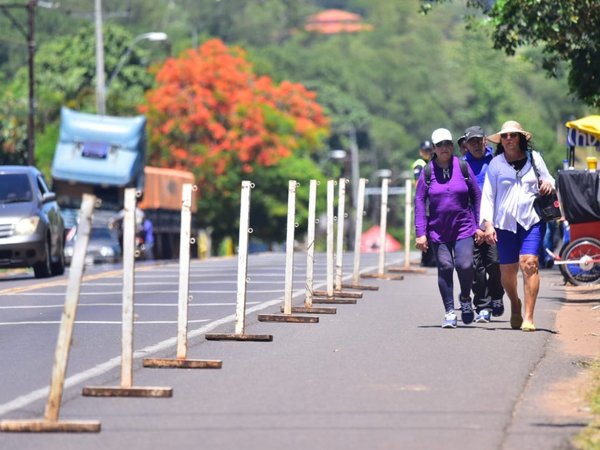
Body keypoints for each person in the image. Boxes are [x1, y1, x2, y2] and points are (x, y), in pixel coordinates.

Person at [480, 120, 555, 332]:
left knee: (529, 263)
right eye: (505, 136)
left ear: (520, 138)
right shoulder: (496, 164)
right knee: (507, 272)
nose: (509, 139)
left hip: (531, 220)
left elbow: (549, 179)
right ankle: (515, 302)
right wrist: (488, 224)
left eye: (513, 135)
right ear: (501, 141)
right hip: (504, 224)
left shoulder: (534, 158)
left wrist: (549, 183)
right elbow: (488, 196)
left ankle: (529, 317)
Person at [415, 128, 481, 328]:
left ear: (452, 146)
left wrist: (478, 225)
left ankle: (465, 298)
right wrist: (420, 233)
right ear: (434, 149)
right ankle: (450, 312)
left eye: (447, 144)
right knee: (445, 267)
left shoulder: (462, 166)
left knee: (465, 265)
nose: (444, 148)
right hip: (438, 230)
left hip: (464, 227)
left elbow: (477, 196)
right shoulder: (427, 172)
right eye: (440, 145)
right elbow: (419, 201)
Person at [462, 126, 505, 323]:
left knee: (495, 264)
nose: (477, 145)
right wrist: (474, 227)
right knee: (475, 268)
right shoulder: (462, 166)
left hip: (495, 223)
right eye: (472, 142)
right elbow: (461, 201)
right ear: (466, 145)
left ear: (485, 141)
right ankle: (483, 305)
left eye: (479, 141)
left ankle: (497, 295)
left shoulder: (496, 162)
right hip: (471, 225)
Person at [412, 140, 437, 267]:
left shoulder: (432, 163)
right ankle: (426, 259)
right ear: (421, 152)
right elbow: (418, 184)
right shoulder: (419, 164)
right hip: (424, 198)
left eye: (429, 151)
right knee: (424, 229)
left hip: (432, 198)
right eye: (425, 151)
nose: (427, 153)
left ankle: (432, 257)